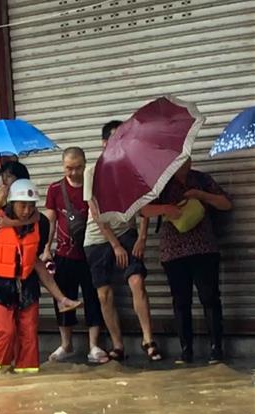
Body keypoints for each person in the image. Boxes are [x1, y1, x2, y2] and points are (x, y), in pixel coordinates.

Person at [0, 179, 82, 373]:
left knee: (29, 336)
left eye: (31, 206)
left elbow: (36, 262)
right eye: (22, 205)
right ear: (11, 203)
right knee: (5, 332)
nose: (27, 210)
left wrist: (61, 298)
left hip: (26, 287)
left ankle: (27, 380)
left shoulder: (40, 224)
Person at [84, 121, 161, 362]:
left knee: (137, 280)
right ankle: (118, 345)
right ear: (105, 143)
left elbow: (144, 205)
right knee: (104, 294)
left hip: (128, 232)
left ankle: (148, 339)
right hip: (98, 237)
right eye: (116, 139)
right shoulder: (92, 171)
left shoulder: (133, 167)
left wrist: (142, 236)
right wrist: (114, 244)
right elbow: (95, 212)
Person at [143, 159, 232, 363]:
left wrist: (201, 195)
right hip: (173, 251)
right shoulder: (160, 184)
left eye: (186, 159)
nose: (182, 164)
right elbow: (143, 210)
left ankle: (216, 349)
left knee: (210, 298)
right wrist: (166, 208)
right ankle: (186, 351)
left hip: (204, 247)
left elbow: (226, 204)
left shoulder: (201, 179)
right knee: (181, 301)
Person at [42, 147, 108, 364]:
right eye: (69, 168)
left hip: (92, 251)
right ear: (63, 167)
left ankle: (94, 346)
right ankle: (66, 344)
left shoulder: (95, 185)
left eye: (78, 167)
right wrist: (46, 249)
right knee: (63, 298)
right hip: (64, 253)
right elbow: (50, 221)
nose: (73, 173)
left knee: (93, 298)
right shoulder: (54, 189)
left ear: (84, 164)